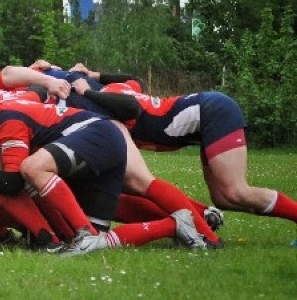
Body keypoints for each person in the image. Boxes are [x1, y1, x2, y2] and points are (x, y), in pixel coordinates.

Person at [0, 85, 207, 254]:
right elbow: (37, 92)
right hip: (104, 137)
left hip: (98, 134)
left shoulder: (9, 122)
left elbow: (15, 183)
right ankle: (175, 224)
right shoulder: (8, 110)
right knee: (100, 241)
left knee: (32, 169)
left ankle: (80, 234)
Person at [96, 77, 297, 234]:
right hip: (206, 115)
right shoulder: (115, 87)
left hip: (213, 112)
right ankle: (199, 220)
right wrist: (94, 75)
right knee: (223, 199)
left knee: (236, 191)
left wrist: (85, 89)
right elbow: (133, 79)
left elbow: (131, 107)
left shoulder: (105, 100)